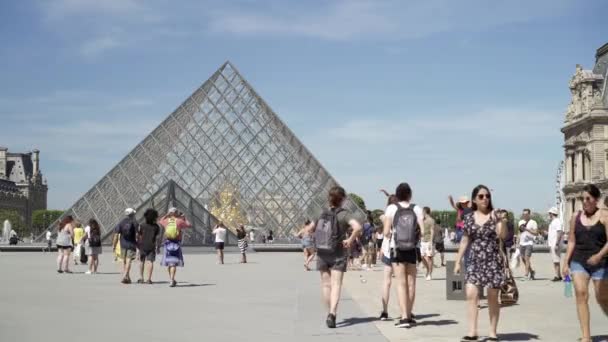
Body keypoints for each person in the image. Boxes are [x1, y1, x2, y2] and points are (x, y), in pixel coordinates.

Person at [454, 185, 507, 342]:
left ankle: (492, 332)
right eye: (481, 196)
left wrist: (503, 221)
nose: (485, 199)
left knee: (492, 297)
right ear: (474, 200)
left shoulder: (495, 215)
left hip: (492, 260)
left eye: (487, 196)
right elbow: (465, 240)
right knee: (471, 294)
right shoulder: (469, 218)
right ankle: (472, 332)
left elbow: (502, 235)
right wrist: (457, 261)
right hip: (475, 260)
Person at [563, 184, 608, 342]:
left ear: (596, 200)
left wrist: (599, 255)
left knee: (602, 297)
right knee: (581, 293)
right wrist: (565, 262)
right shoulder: (576, 216)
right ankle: (586, 336)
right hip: (579, 260)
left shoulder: (604, 216)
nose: (584, 201)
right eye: (583, 199)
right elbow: (572, 241)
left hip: (601, 262)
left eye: (588, 198)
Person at [314, 186, 362, 328]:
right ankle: (333, 313)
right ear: (343, 199)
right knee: (336, 284)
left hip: (322, 251)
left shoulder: (321, 213)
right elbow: (358, 227)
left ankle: (328, 311)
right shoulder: (345, 214)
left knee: (325, 285)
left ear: (329, 198)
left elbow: (312, 228)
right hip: (338, 253)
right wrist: (350, 239)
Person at [383, 183, 424, 328]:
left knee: (401, 283)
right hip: (413, 249)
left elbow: (386, 232)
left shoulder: (392, 208)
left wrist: (393, 233)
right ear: (410, 194)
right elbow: (423, 231)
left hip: (397, 249)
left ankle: (404, 317)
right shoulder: (416, 208)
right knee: (411, 283)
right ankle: (410, 313)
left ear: (397, 194)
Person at [159, 208, 191, 287]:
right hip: (176, 243)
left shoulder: (166, 221)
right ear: (176, 213)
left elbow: (160, 220)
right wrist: (184, 218)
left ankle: (171, 279)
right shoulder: (179, 221)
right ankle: (172, 279)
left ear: (170, 213)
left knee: (170, 263)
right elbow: (189, 225)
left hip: (168, 243)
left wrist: (167, 214)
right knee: (173, 263)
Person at [379, 194, 398, 321]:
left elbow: (386, 233)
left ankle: (385, 311)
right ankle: (407, 312)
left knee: (387, 282)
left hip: (389, 249)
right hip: (402, 249)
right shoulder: (404, 212)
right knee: (403, 282)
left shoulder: (387, 214)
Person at [112, 208, 139, 284]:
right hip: (132, 244)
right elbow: (137, 235)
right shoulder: (135, 223)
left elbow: (116, 235)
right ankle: (125, 276)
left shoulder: (121, 223)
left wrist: (114, 245)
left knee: (124, 261)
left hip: (123, 244)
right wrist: (138, 245)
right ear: (133, 214)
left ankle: (127, 277)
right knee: (129, 260)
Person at [137, 209, 161, 284]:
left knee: (141, 261)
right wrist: (158, 247)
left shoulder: (142, 225)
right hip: (151, 246)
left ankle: (141, 278)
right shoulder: (156, 227)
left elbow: (139, 236)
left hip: (142, 245)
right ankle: (149, 279)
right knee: (150, 262)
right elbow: (157, 238)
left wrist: (138, 246)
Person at [518, 209, 538, 280]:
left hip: (529, 243)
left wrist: (527, 229)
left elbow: (536, 233)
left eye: (526, 214)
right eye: (523, 214)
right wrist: (517, 242)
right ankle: (532, 272)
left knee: (527, 258)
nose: (525, 215)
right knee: (523, 259)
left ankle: (526, 274)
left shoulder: (533, 222)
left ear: (529, 214)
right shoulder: (520, 222)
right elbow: (519, 233)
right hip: (521, 243)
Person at [547, 207, 564, 282]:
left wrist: (557, 243)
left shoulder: (557, 221)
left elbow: (559, 232)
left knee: (556, 260)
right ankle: (558, 275)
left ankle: (557, 276)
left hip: (555, 243)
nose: (548, 215)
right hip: (553, 243)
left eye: (549, 213)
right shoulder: (553, 222)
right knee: (555, 260)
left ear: (551, 213)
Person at [420, 207, 435, 280]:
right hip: (422, 241)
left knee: (429, 258)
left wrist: (431, 242)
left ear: (425, 211)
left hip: (428, 241)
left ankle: (429, 273)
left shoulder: (431, 220)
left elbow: (432, 231)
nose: (422, 212)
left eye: (422, 211)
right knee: (421, 257)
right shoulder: (422, 220)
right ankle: (428, 269)